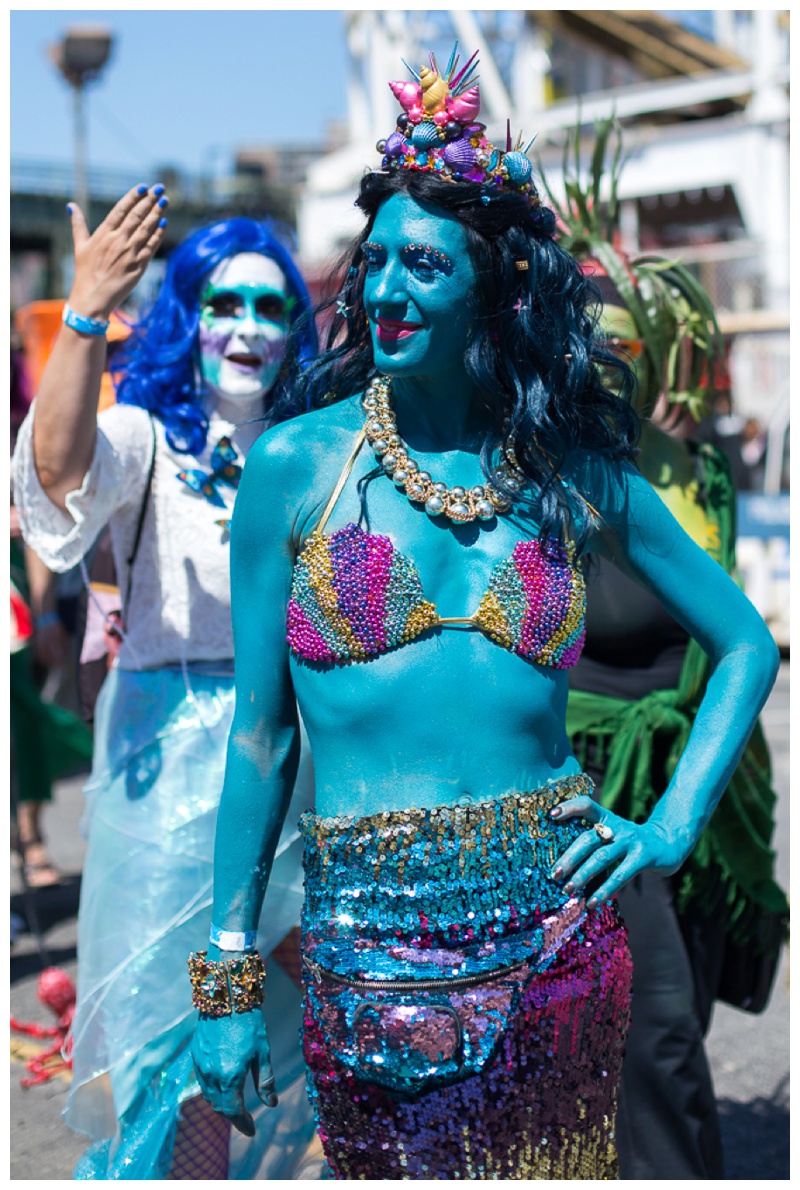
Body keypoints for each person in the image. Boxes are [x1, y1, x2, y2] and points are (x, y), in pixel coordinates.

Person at [189, 49, 779, 1181]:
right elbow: (259, 740)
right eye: (374, 263)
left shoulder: (570, 472)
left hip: (559, 942)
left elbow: (744, 641)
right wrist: (223, 978)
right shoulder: (295, 468)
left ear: (496, 286)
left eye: (422, 263)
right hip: (372, 958)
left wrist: (667, 826)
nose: (385, 291)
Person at [12, 186, 321, 1179]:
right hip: (164, 772)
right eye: (226, 303)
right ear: (188, 316)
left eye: (273, 308)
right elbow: (58, 478)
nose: (248, 328)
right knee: (173, 1060)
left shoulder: (316, 451)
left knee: (317, 1029)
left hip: (289, 764)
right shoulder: (147, 438)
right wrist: (87, 310)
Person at [544, 118, 790, 1179]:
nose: (599, 364)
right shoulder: (529, 477)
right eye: (578, 341)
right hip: (563, 799)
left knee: (660, 1048)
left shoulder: (671, 483)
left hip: (673, 784)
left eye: (619, 347)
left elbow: (744, 643)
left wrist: (679, 813)